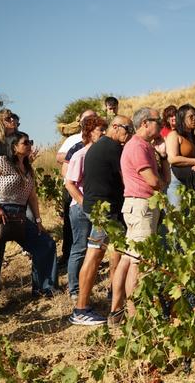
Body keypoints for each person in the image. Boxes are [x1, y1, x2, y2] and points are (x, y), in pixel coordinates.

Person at [0, 131, 57, 316]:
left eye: (30, 142)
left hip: (20, 216)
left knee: (46, 244)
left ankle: (44, 289)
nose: (29, 145)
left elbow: (33, 198)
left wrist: (38, 221)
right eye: (25, 142)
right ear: (14, 146)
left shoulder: (29, 169)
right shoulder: (2, 161)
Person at [70, 115, 132, 326]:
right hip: (104, 212)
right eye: (126, 128)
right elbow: (127, 178)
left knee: (115, 253)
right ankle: (80, 309)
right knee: (95, 256)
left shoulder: (99, 146)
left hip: (98, 209)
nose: (128, 133)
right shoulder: (113, 148)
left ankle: (113, 297)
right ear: (115, 127)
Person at [111, 108, 168, 319]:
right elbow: (155, 182)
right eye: (158, 120)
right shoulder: (137, 147)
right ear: (145, 122)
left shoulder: (144, 146)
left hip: (141, 206)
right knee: (139, 262)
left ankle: (119, 312)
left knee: (130, 259)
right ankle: (136, 317)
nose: (161, 124)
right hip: (141, 207)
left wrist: (163, 157)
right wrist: (160, 184)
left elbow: (164, 180)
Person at [63, 115, 107, 300]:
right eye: (100, 130)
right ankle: (74, 290)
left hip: (94, 209)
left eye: (105, 129)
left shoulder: (100, 155)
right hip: (80, 209)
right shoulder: (80, 155)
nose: (103, 133)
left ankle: (85, 284)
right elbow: (69, 183)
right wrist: (84, 203)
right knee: (80, 247)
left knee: (96, 247)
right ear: (89, 133)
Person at [56, 109, 97, 267]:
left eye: (93, 117)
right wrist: (75, 154)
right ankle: (67, 256)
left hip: (89, 189)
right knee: (70, 225)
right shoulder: (73, 139)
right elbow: (59, 156)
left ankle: (88, 259)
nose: (90, 119)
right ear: (79, 120)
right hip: (71, 185)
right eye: (86, 117)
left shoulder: (99, 137)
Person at [166, 104, 195, 208]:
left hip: (194, 183)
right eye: (191, 117)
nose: (194, 119)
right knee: (177, 216)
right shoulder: (174, 135)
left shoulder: (194, 139)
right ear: (182, 118)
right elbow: (172, 158)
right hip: (177, 182)